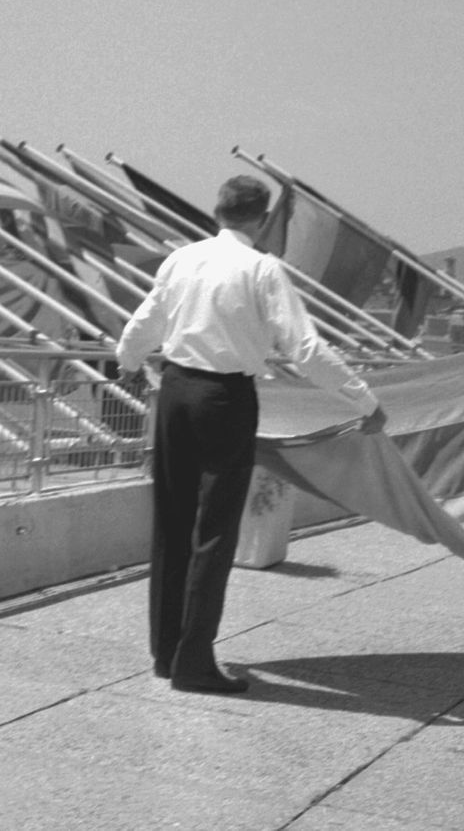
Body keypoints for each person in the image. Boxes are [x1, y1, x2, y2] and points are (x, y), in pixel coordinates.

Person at [116, 175, 387, 694]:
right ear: (262, 221)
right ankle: (194, 661)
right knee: (213, 533)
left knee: (171, 524)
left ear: (217, 211)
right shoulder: (262, 269)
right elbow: (304, 349)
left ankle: (166, 654)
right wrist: (363, 401)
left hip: (175, 392)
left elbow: (145, 321)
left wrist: (126, 362)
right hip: (224, 399)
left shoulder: (181, 259)